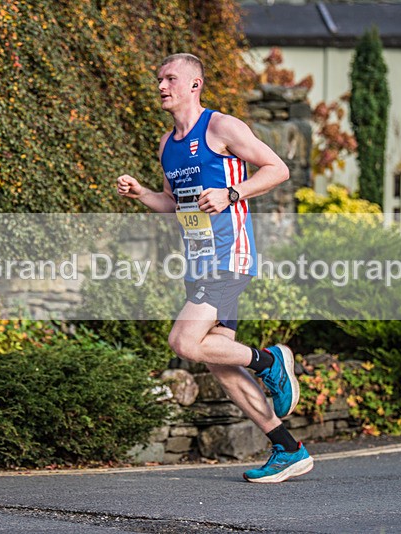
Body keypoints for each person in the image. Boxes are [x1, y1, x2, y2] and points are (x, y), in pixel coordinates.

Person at [116, 53, 313, 483]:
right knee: (219, 364)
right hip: (198, 260)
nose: (162, 86)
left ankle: (269, 361)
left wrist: (232, 193)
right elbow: (174, 205)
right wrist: (142, 193)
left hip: (229, 255)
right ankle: (288, 448)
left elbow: (277, 169)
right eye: (159, 79)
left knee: (183, 342)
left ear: (195, 84)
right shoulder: (166, 145)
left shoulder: (222, 127)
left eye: (170, 78)